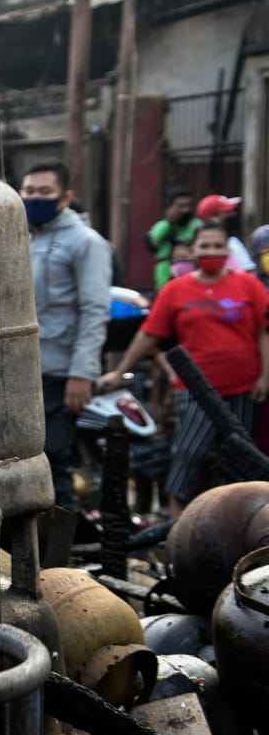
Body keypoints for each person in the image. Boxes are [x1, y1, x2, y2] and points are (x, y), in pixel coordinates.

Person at [100, 220, 269, 517]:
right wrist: (119, 371)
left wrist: (265, 376)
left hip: (243, 388)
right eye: (205, 246)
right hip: (193, 391)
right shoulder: (176, 290)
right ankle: (179, 529)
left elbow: (263, 333)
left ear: (227, 251)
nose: (211, 252)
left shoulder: (249, 285)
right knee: (190, 455)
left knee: (239, 460)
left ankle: (234, 527)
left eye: (218, 246)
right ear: (194, 250)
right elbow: (149, 334)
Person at [22, 162, 113, 512]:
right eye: (30, 191)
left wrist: (82, 373)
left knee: (54, 458)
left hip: (63, 372)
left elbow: (94, 311)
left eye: (45, 192)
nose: (35, 198)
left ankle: (65, 540)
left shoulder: (86, 243)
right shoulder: (22, 237)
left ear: (65, 197)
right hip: (26, 371)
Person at [146, 188, 201, 293]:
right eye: (180, 206)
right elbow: (151, 243)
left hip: (190, 281)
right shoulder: (162, 226)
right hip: (164, 281)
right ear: (170, 207)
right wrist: (169, 223)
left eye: (189, 205)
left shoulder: (197, 225)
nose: (186, 210)